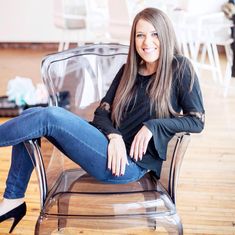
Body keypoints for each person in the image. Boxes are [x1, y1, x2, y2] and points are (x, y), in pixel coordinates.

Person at [0, 7, 205, 233]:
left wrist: (153, 127)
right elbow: (102, 112)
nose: (147, 42)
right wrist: (114, 136)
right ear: (134, 39)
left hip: (128, 164)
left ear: (165, 35)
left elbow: (196, 120)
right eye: (140, 35)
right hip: (107, 146)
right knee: (31, 117)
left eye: (154, 34)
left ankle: (12, 202)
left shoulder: (180, 68)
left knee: (49, 116)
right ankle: (13, 201)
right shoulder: (128, 70)